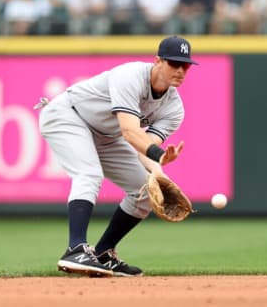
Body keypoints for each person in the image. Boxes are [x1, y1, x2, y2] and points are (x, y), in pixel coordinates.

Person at [36, 36, 198, 277]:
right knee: (88, 173)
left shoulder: (174, 108)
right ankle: (75, 249)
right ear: (158, 62)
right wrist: (158, 155)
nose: (180, 70)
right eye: (174, 63)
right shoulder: (131, 76)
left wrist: (159, 170)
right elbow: (130, 132)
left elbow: (147, 147)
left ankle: (103, 253)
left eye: (185, 65)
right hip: (68, 115)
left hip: (106, 136)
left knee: (144, 190)